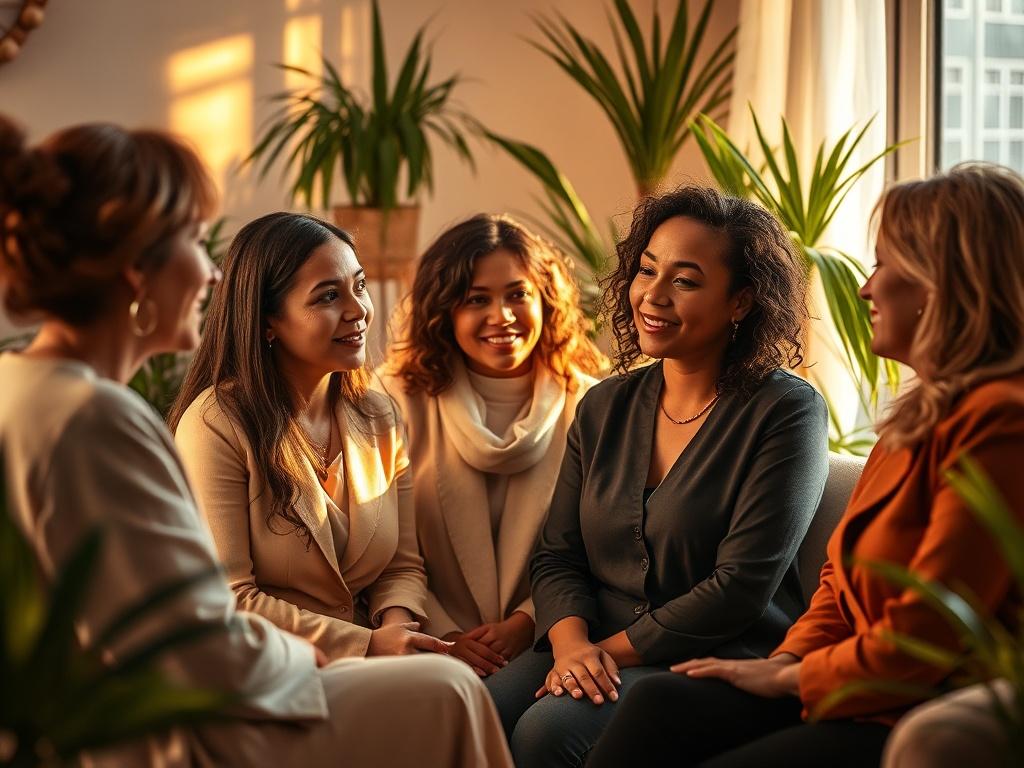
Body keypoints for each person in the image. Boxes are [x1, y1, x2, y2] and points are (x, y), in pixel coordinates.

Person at [0, 116, 512, 767]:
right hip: (172, 724)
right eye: (194, 241)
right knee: (447, 690)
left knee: (443, 683)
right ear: (136, 273)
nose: (212, 274)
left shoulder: (28, 389)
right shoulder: (99, 419)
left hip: (178, 694)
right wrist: (314, 653)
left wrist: (385, 632)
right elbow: (195, 630)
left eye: (357, 287)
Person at [586, 163, 1024, 768]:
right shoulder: (915, 418)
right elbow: (837, 584)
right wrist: (790, 662)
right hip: (837, 680)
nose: (866, 289)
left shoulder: (1002, 423)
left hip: (910, 707)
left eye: (885, 266)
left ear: (947, 284)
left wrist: (795, 679)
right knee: (659, 703)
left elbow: (931, 630)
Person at [484, 186, 830, 766]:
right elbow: (557, 554)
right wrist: (571, 646)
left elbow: (740, 585)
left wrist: (604, 654)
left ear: (741, 302)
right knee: (476, 710)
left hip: (716, 650)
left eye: (685, 281)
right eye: (647, 270)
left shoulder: (786, 411)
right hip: (592, 640)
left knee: (549, 731)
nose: (654, 294)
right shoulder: (604, 406)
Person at [170, 212, 442, 661]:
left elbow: (401, 565)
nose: (358, 311)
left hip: (377, 655)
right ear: (266, 322)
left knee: (459, 681)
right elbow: (228, 597)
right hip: (272, 665)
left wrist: (399, 632)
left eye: (359, 285)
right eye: (328, 296)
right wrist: (368, 646)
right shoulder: (215, 423)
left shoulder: (377, 413)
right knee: (451, 687)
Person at [378, 213, 606, 677]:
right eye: (476, 299)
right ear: (443, 310)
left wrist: (528, 621)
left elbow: (603, 545)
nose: (501, 316)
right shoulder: (392, 400)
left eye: (518, 294)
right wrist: (444, 636)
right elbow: (382, 547)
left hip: (552, 642)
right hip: (428, 643)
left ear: (546, 300)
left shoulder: (593, 405)